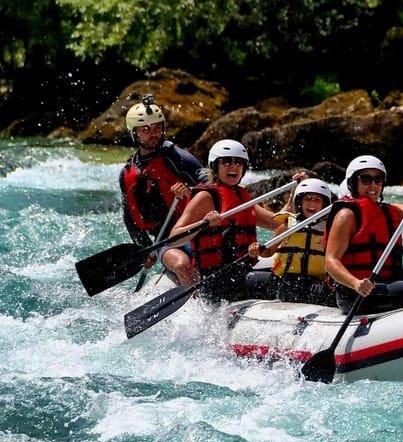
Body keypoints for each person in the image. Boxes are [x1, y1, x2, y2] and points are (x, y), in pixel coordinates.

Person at [324, 155, 403, 314]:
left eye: (378, 179)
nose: (373, 185)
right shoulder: (346, 215)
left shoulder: (388, 211)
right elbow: (331, 261)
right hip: (355, 294)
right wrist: (356, 283)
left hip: (384, 286)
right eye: (366, 179)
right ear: (353, 182)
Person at [168, 139, 282, 302]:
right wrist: (203, 223)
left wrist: (295, 200)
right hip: (217, 280)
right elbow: (174, 239)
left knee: (286, 276)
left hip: (242, 272)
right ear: (215, 167)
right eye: (227, 162)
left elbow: (278, 223)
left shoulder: (242, 197)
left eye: (238, 163)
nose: (234, 166)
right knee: (277, 283)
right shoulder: (206, 197)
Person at [119, 94, 207, 285]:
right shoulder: (128, 173)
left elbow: (210, 183)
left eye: (158, 127)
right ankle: (197, 307)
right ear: (134, 133)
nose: (154, 133)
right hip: (164, 240)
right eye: (146, 129)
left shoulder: (176, 157)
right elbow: (130, 218)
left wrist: (190, 190)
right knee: (181, 264)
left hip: (193, 232)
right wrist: (146, 248)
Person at [259, 178, 337, 306]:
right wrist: (257, 249)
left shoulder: (330, 229)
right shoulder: (287, 226)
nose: (312, 203)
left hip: (316, 282)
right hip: (289, 281)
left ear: (324, 205)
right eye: (308, 199)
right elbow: (267, 251)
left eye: (317, 200)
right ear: (299, 202)